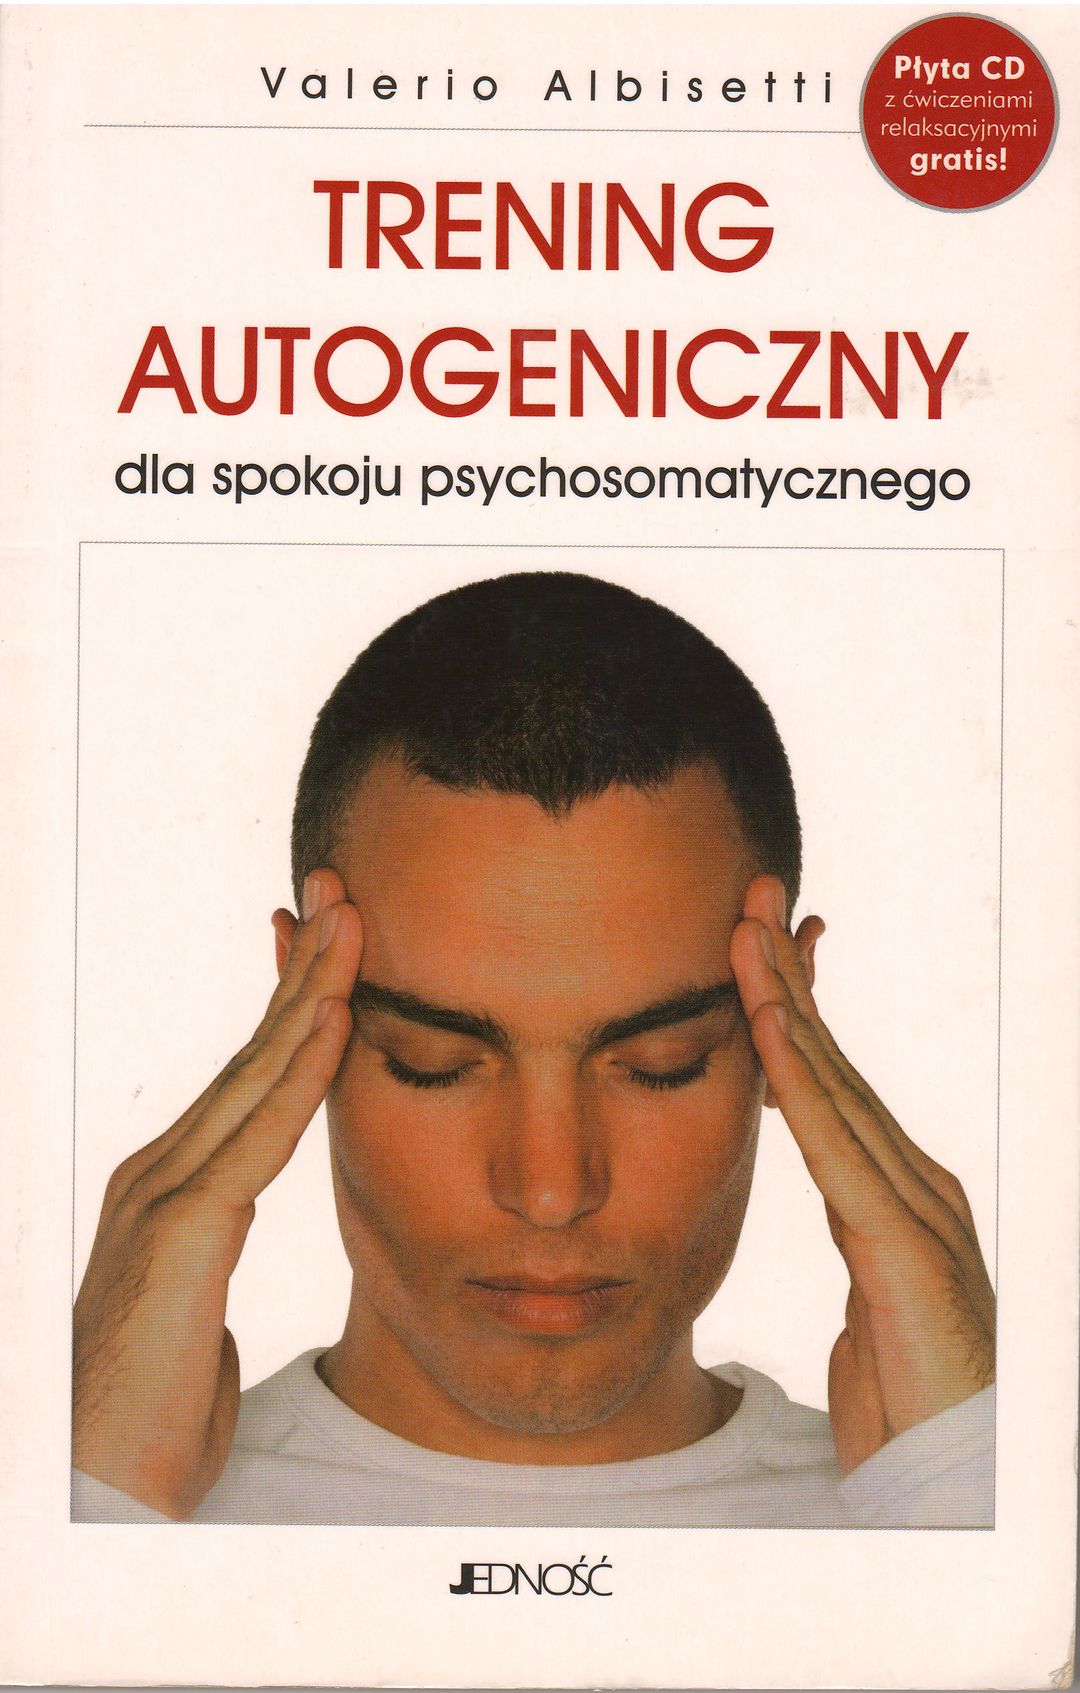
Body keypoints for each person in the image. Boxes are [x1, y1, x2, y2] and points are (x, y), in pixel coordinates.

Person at [71, 571, 995, 1527]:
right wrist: (85, 1499)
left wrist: (968, 1487)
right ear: (297, 1010)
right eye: (432, 1060)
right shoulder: (98, 1506)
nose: (551, 1190)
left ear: (785, 1023)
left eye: (661, 1062)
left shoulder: (948, 1511)